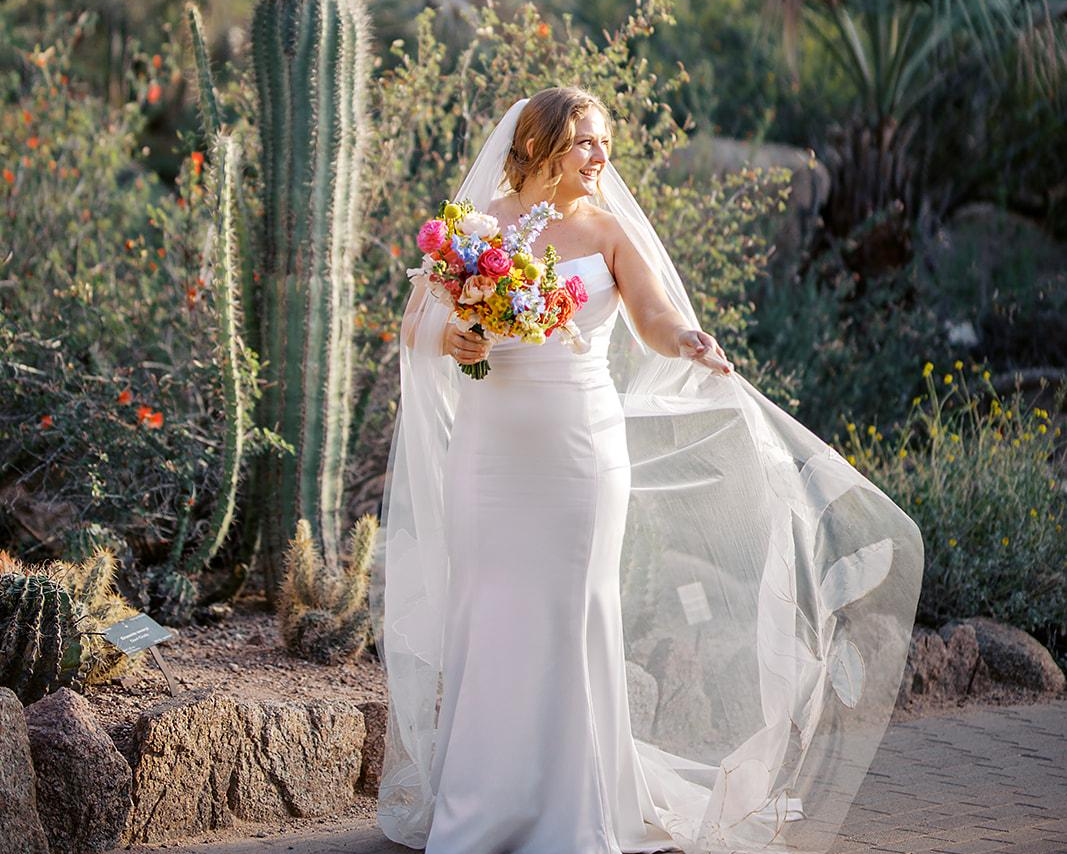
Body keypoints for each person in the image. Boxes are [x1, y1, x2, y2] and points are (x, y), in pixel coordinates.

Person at [369, 87, 924, 854]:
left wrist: (687, 340)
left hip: (579, 450)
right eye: (586, 141)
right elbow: (417, 325)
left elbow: (654, 318)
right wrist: (453, 339)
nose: (601, 156)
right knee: (486, 610)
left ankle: (573, 807)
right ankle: (479, 805)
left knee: (570, 610)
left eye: (605, 141)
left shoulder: (608, 232)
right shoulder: (476, 228)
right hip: (488, 454)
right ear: (537, 146)